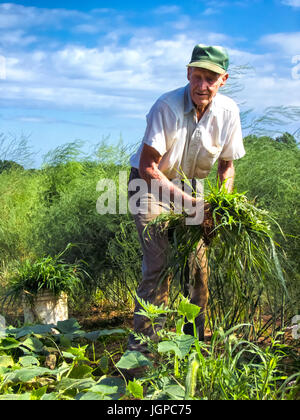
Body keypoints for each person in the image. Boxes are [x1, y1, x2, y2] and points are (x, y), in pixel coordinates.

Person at [127, 44, 246, 353]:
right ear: (188, 74)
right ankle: (143, 355)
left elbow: (227, 167)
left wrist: (221, 204)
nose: (201, 86)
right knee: (160, 264)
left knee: (197, 269)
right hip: (148, 185)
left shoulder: (228, 112)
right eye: (197, 76)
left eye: (210, 79)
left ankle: (191, 351)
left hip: (191, 186)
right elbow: (147, 166)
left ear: (224, 79)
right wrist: (192, 205)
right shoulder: (166, 107)